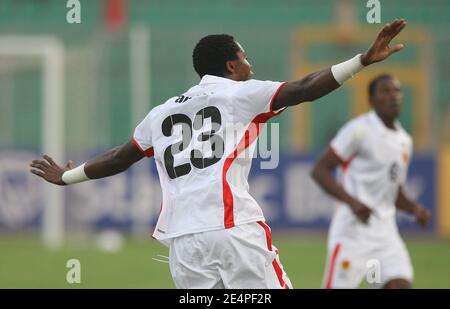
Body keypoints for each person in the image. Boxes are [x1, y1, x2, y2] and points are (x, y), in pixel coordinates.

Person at [30, 20, 407, 289]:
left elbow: (118, 157)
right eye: (245, 58)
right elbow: (305, 88)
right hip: (233, 230)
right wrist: (362, 60)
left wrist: (66, 176)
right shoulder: (241, 94)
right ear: (231, 65)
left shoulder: (161, 112)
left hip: (183, 242)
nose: (250, 65)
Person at [311, 74, 431, 289]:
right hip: (353, 233)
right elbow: (319, 170)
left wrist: (415, 209)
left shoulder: (404, 141)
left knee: (400, 284)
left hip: (386, 234)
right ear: (372, 100)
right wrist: (353, 202)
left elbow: (394, 191)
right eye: (385, 91)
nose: (393, 96)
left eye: (397, 91)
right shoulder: (359, 130)